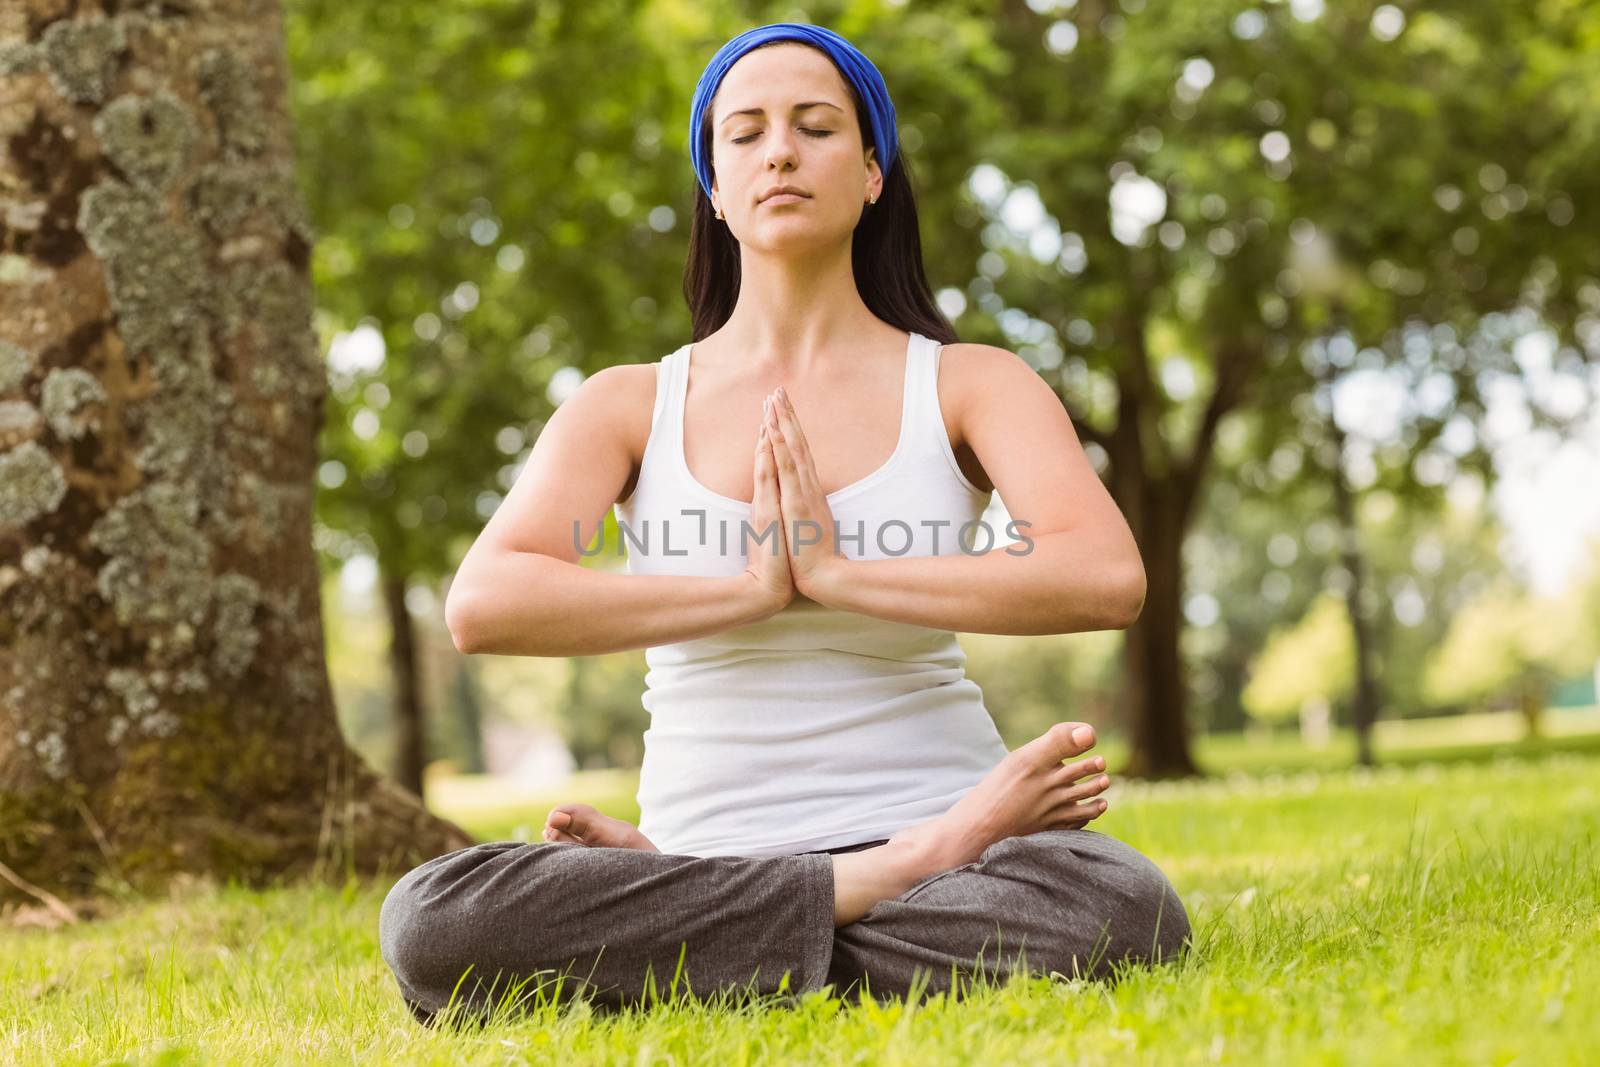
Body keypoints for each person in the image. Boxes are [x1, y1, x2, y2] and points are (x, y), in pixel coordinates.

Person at [379, 22, 1189, 1027]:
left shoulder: (969, 383)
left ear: (873, 172)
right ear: (713, 187)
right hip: (747, 848)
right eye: (745, 133)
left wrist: (837, 572)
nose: (779, 152)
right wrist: (748, 589)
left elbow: (1104, 572)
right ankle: (857, 884)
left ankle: (717, 937)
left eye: (815, 127)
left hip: (965, 845)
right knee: (433, 920)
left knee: (1119, 905)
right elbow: (486, 602)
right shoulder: (629, 403)